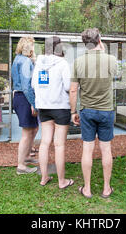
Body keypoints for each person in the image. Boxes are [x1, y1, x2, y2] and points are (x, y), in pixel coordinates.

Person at [70, 28, 117, 199]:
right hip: (106, 111)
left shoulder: (78, 62)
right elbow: (114, 76)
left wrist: (73, 112)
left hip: (87, 111)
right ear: (99, 40)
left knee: (87, 150)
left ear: (85, 43)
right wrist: (102, 50)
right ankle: (106, 189)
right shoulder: (111, 60)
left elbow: (73, 90)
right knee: (106, 150)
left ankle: (87, 189)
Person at [31, 36, 74, 189]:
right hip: (61, 107)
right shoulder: (62, 63)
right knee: (59, 145)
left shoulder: (38, 63)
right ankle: (62, 181)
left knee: (44, 142)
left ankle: (44, 177)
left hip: (44, 107)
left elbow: (34, 85)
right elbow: (69, 86)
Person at [12, 36, 39, 175]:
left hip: (20, 96)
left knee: (34, 129)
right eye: (32, 45)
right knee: (26, 133)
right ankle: (21, 166)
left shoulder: (18, 59)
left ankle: (27, 156)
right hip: (25, 98)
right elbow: (26, 86)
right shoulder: (25, 61)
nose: (34, 48)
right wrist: (33, 104)